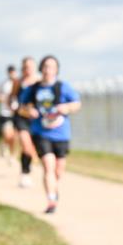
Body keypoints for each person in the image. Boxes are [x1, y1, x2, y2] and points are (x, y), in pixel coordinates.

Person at [20, 55, 81, 214]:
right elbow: (21, 107)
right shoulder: (33, 88)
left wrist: (66, 108)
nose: (48, 70)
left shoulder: (63, 87)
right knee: (48, 166)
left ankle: (53, 188)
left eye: (51, 67)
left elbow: (77, 104)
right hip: (41, 133)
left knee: (58, 171)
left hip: (61, 134)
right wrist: (28, 111)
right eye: (45, 66)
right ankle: (51, 200)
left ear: (56, 70)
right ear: (41, 68)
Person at [12, 57, 41, 187]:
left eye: (30, 66)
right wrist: (14, 105)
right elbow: (12, 98)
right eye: (25, 67)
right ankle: (25, 173)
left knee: (31, 147)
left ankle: (26, 170)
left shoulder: (39, 81)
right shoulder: (18, 82)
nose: (28, 69)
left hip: (36, 119)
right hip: (21, 117)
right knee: (26, 144)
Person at [0, 65, 18, 164]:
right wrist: (4, 100)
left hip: (16, 112)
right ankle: (4, 143)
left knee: (14, 136)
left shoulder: (18, 83)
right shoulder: (3, 84)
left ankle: (12, 155)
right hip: (5, 112)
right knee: (7, 134)